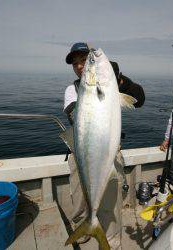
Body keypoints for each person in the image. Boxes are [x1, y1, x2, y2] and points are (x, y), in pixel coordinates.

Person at [63, 42, 145, 249]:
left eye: (84, 60)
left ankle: (111, 240)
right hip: (81, 154)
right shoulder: (72, 90)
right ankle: (84, 227)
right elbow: (75, 114)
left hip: (108, 153)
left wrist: (119, 81)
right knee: (79, 199)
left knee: (110, 204)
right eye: (76, 64)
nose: (80, 66)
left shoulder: (114, 86)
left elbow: (139, 99)